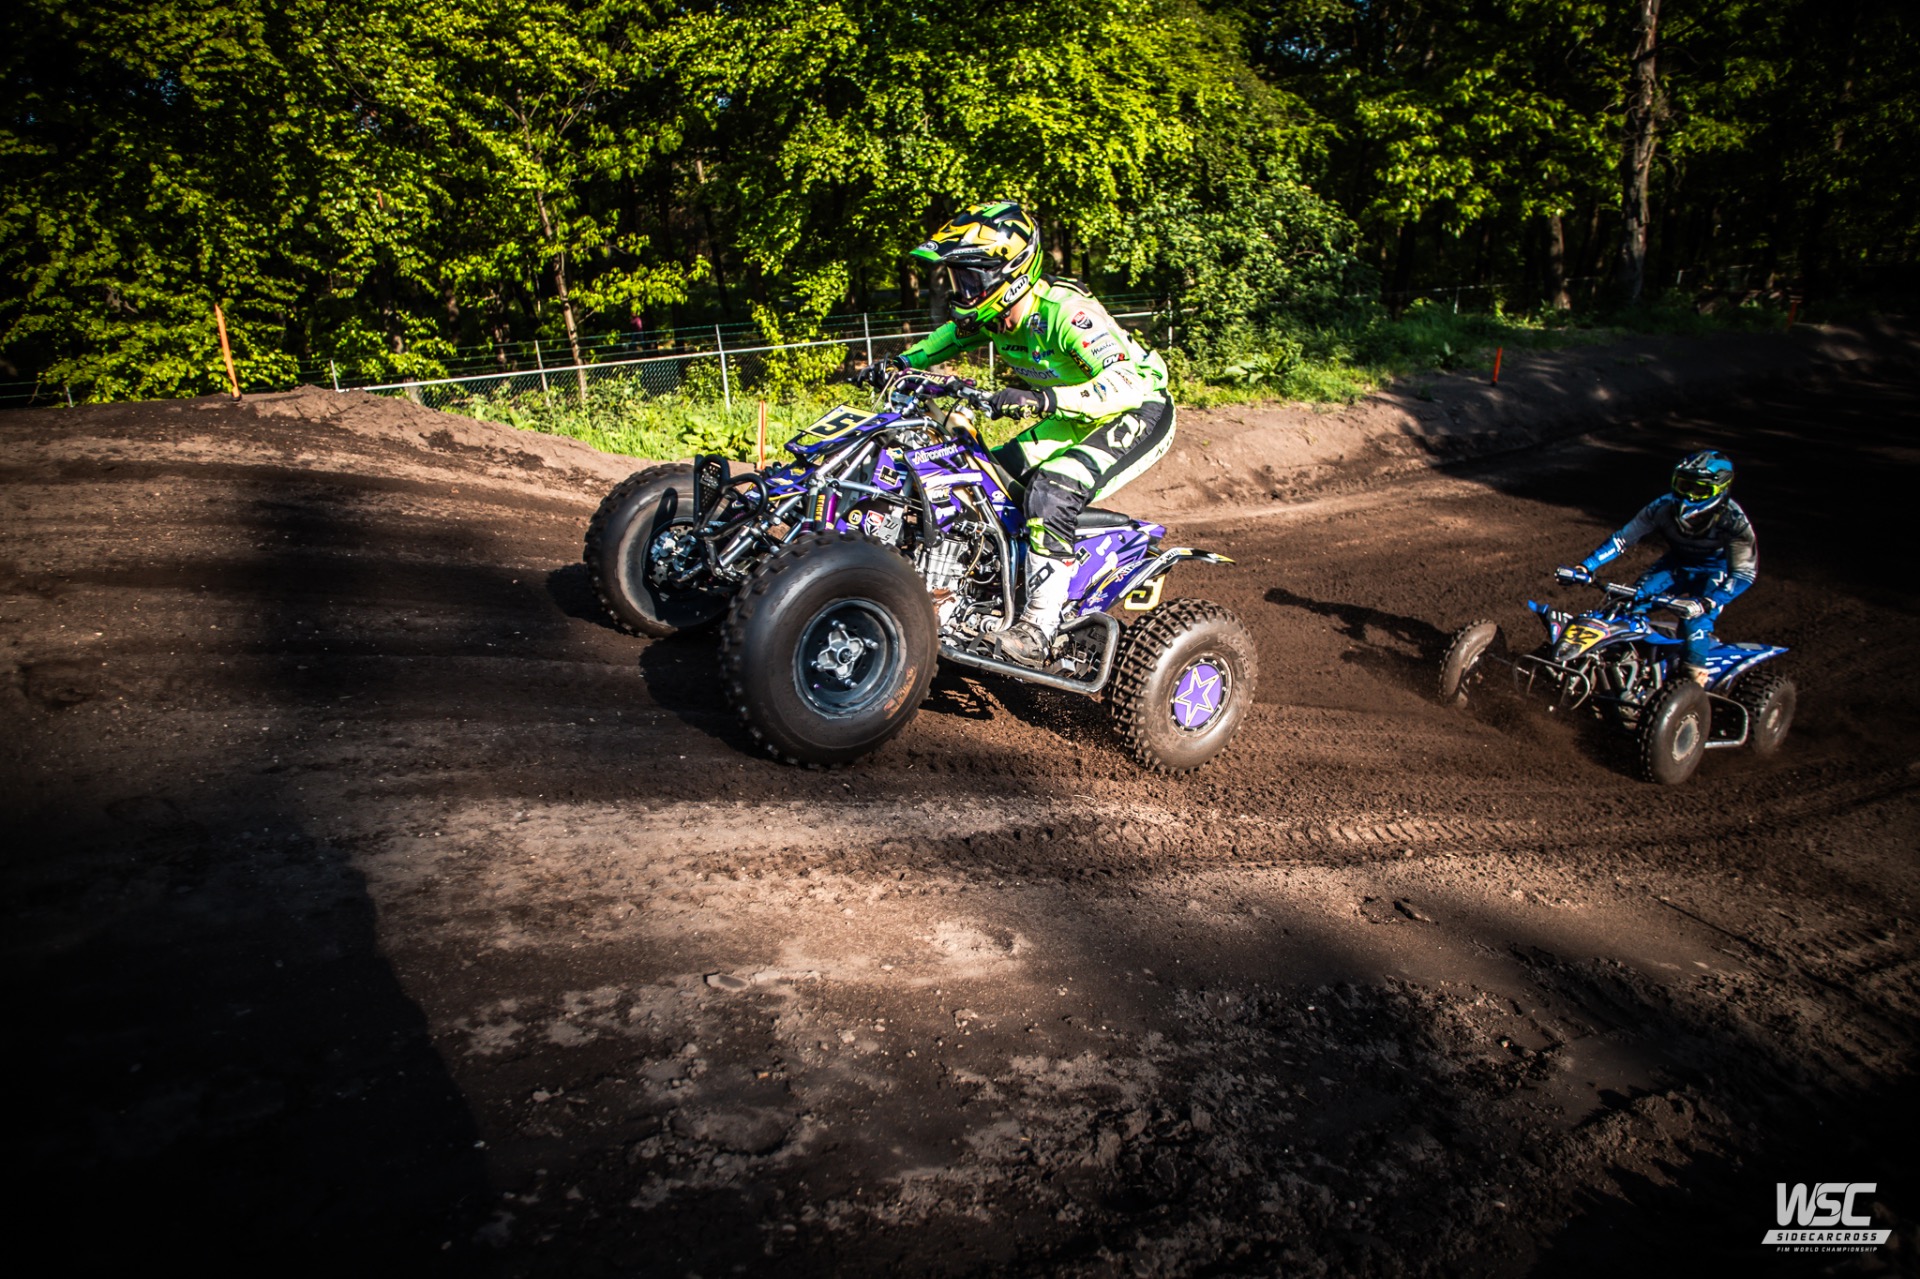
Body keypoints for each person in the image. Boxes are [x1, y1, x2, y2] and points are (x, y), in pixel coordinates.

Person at [851, 201, 1173, 666]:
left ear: (1011, 272)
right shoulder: (993, 315)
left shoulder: (1066, 313)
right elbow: (946, 339)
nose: (962, 290)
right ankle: (981, 589)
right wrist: (900, 364)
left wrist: (1044, 400)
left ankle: (1039, 628)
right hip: (1073, 412)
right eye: (958, 278)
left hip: (1135, 409)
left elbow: (1127, 382)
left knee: (1052, 490)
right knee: (980, 480)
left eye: (971, 278)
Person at [1558, 450, 1757, 684]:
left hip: (1714, 572)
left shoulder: (1734, 522)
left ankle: (1694, 683)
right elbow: (1623, 539)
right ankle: (1620, 666)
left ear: (1719, 490)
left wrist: (1709, 601)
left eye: (1700, 490)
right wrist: (1586, 567)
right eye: (1684, 485)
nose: (1688, 495)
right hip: (1676, 565)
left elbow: (1744, 572)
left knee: (1695, 623)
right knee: (1628, 605)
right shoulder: (1662, 507)